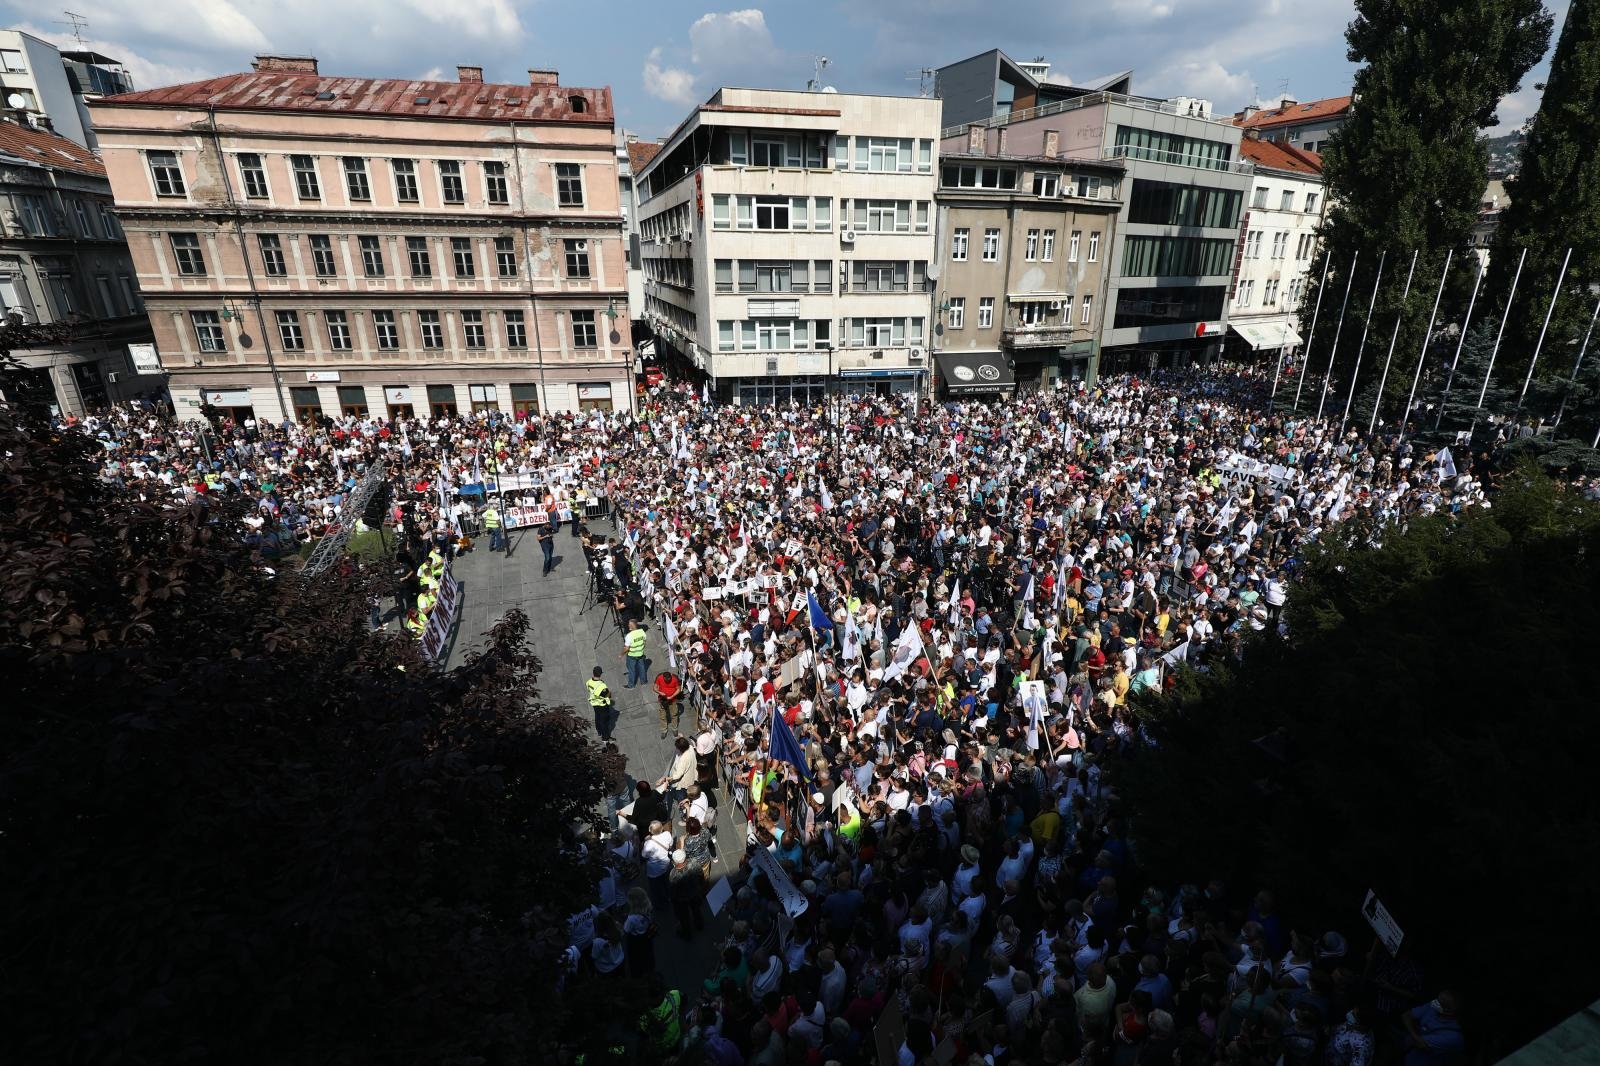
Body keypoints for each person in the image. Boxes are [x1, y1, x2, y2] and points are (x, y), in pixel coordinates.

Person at [587, 666, 615, 740]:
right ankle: (605, 737)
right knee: (604, 722)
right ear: (600, 674)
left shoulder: (589, 682)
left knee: (597, 717)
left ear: (593, 673)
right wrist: (610, 693)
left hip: (594, 703)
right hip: (602, 705)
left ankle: (599, 731)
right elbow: (608, 696)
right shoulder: (602, 686)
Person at [654, 669, 683, 738]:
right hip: (662, 700)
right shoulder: (659, 677)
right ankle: (664, 730)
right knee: (662, 716)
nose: (667, 681)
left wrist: (672, 696)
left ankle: (674, 728)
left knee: (674, 715)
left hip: (672, 700)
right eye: (666, 680)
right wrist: (660, 692)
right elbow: (654, 688)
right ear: (663, 677)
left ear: (671, 676)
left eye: (669, 680)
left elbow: (679, 689)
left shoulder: (675, 678)